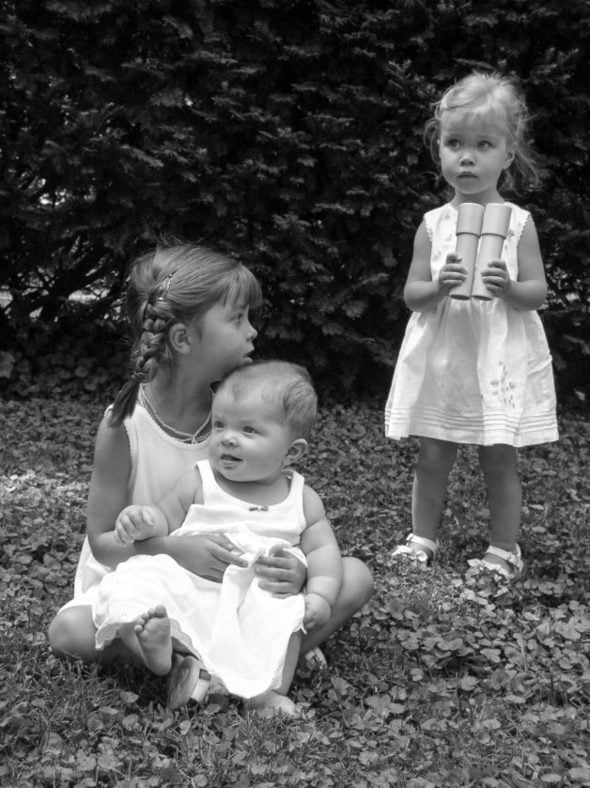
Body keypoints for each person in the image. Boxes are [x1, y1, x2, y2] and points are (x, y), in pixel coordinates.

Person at [48, 243, 374, 702]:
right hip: (153, 581)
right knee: (67, 630)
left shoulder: (240, 416)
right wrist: (176, 552)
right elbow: (103, 543)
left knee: (354, 575)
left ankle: (201, 669)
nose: (253, 332)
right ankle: (236, 659)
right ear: (183, 339)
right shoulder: (123, 426)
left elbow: (276, 518)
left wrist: (297, 573)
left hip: (237, 585)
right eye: (238, 319)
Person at [93, 360, 342, 716]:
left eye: (249, 431)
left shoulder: (301, 498)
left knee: (282, 619)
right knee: (137, 583)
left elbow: (323, 551)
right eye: (220, 424)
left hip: (257, 595)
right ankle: (163, 653)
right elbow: (164, 516)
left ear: (293, 452)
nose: (227, 437)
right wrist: (143, 519)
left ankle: (264, 695)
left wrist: (318, 594)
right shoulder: (200, 479)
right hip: (195, 585)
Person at [384, 72, 558, 580]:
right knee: (434, 451)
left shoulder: (519, 223)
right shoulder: (433, 223)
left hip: (495, 357)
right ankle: (421, 538)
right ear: (438, 149)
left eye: (483, 145)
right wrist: (438, 286)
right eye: (454, 143)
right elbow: (413, 295)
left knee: (498, 456)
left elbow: (538, 295)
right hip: (445, 356)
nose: (467, 157)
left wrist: (508, 287)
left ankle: (505, 547)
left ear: (507, 154)